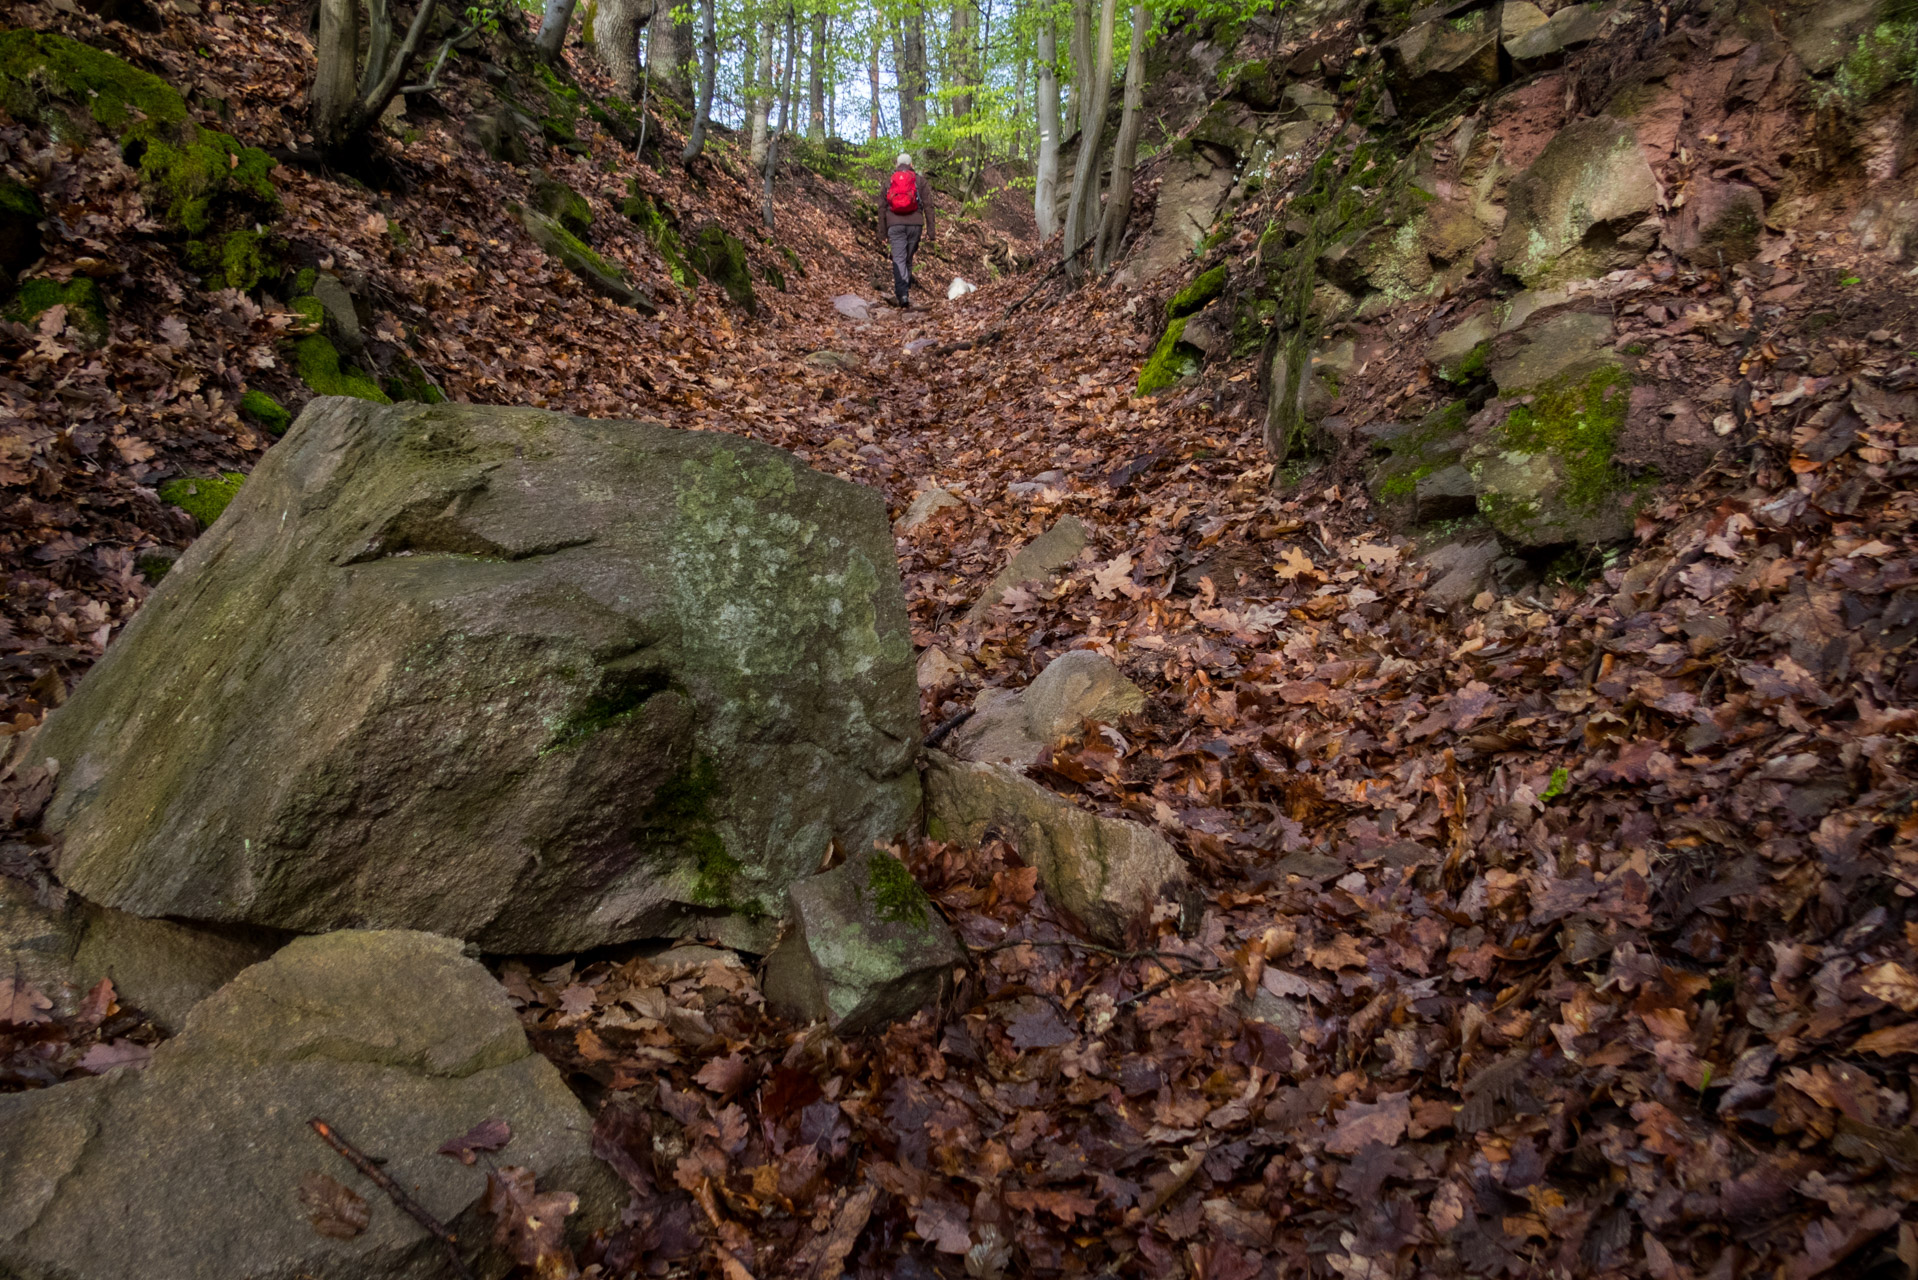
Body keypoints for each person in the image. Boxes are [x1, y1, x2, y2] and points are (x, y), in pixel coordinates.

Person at [880, 153, 934, 309]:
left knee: (899, 258)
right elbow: (929, 206)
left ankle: (902, 294)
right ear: (911, 165)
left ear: (897, 165)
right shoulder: (920, 181)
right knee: (907, 259)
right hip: (915, 225)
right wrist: (931, 232)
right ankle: (904, 293)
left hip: (894, 225)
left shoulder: (889, 181)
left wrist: (882, 232)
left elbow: (882, 207)